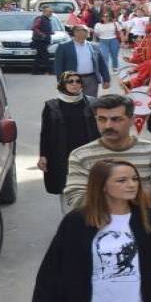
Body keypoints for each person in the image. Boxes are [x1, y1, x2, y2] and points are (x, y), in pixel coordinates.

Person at [34, 159, 151, 302]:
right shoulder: (77, 221)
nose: (132, 185)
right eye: (122, 180)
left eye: (134, 179)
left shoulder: (150, 219)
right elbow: (52, 272)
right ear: (102, 185)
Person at [63, 94, 151, 209]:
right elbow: (75, 198)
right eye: (101, 119)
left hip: (144, 223)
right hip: (99, 224)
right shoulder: (80, 155)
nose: (108, 125)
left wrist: (114, 194)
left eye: (116, 119)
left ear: (132, 120)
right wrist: (133, 195)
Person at [39, 72, 101, 211]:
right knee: (66, 188)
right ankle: (69, 221)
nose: (74, 84)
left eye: (78, 81)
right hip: (61, 154)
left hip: (87, 153)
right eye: (70, 81)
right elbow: (45, 133)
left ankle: (89, 220)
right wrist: (43, 155)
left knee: (90, 187)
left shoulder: (92, 103)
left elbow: (100, 128)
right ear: (63, 84)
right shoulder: (51, 106)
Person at [54, 25, 111, 97]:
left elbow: (102, 64)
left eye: (86, 31)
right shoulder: (64, 47)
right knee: (73, 102)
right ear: (75, 32)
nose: (85, 32)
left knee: (90, 103)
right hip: (72, 80)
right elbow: (58, 66)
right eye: (83, 30)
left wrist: (106, 80)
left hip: (91, 79)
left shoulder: (94, 46)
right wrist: (61, 82)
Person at [32, 5, 56, 75]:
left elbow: (44, 28)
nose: (51, 13)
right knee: (45, 56)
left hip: (44, 41)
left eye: (51, 12)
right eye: (49, 12)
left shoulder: (47, 19)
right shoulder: (40, 19)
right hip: (40, 41)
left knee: (39, 57)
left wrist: (50, 32)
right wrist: (42, 34)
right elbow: (35, 27)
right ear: (44, 12)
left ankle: (35, 71)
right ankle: (51, 71)